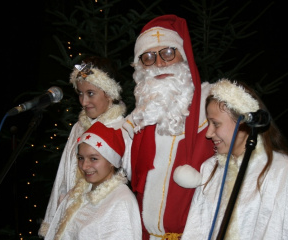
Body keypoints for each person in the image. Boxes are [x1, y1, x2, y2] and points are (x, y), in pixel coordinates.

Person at [181, 79, 288, 240]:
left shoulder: (280, 169)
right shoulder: (210, 169)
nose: (208, 133)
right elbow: (196, 230)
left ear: (244, 122)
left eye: (215, 124)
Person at [122, 14, 215, 239]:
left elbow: (235, 160)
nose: (160, 63)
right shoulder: (139, 118)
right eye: (149, 57)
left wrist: (204, 174)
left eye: (168, 53)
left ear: (183, 56)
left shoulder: (210, 105)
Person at [39, 56, 132, 237]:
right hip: (69, 220)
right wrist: (51, 221)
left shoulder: (124, 129)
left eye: (90, 93)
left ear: (109, 93)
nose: (83, 102)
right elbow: (63, 177)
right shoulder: (79, 127)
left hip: (100, 222)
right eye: (80, 94)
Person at [44, 121, 142, 239]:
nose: (84, 166)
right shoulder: (76, 194)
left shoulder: (121, 202)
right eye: (81, 158)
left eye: (93, 158)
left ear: (112, 161)